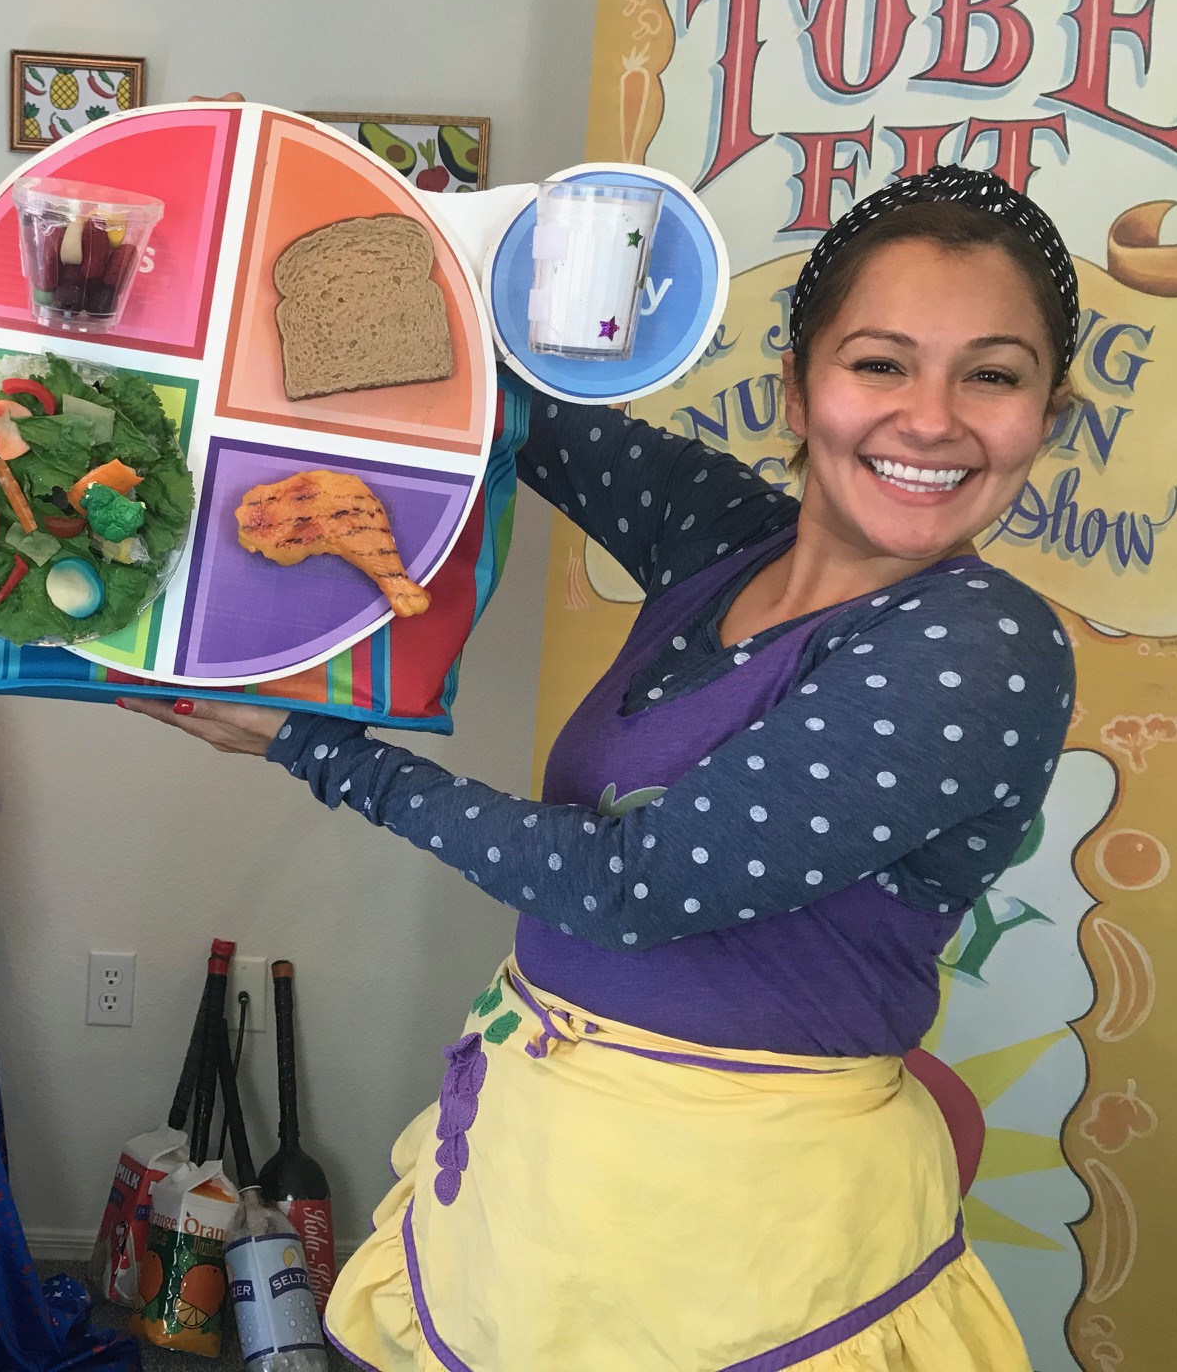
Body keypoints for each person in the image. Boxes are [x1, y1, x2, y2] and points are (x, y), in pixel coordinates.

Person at [122, 166, 1078, 1370]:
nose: (931, 418)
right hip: (540, 1163)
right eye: (880, 362)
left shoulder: (980, 644)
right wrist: (323, 206)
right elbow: (510, 403)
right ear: (799, 388)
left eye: (992, 375)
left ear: (1047, 413)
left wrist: (307, 745)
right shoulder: (732, 541)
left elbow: (628, 886)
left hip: (746, 1231)